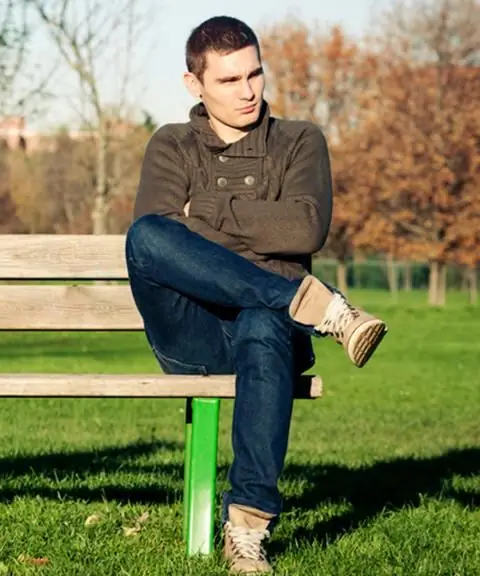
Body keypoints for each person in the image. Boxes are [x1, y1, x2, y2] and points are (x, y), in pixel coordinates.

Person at [125, 16, 387, 574]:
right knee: (147, 235)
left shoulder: (300, 141)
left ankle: (246, 530)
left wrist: (209, 215)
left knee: (263, 322)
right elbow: (162, 237)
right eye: (228, 81)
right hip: (191, 330)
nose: (247, 92)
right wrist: (257, 232)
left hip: (266, 336)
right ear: (194, 84)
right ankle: (322, 308)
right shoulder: (171, 146)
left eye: (255, 74)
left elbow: (305, 229)